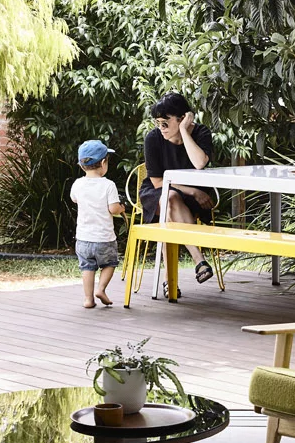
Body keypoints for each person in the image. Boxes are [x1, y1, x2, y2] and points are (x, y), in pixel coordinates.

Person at [140, 92, 216, 284]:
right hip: (158, 192)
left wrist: (183, 131)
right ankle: (199, 260)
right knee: (170, 198)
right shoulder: (153, 138)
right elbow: (158, 182)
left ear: (182, 119)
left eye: (165, 123)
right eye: (158, 123)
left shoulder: (201, 133)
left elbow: (200, 163)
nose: (161, 128)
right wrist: (193, 191)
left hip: (189, 198)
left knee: (169, 211)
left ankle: (168, 280)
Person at [70, 139, 124, 309]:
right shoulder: (108, 185)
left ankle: (88, 299)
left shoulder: (78, 184)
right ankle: (101, 289)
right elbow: (114, 209)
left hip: (83, 239)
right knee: (110, 264)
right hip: (104, 238)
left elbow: (74, 199)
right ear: (103, 162)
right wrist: (122, 207)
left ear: (81, 165)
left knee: (87, 267)